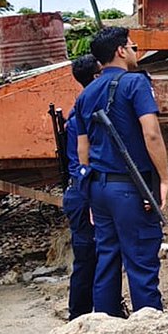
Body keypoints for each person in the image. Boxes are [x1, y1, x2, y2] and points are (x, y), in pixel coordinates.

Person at [74, 26, 168, 316]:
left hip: (99, 187)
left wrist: (90, 192)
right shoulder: (135, 83)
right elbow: (151, 134)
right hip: (130, 188)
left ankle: (108, 329)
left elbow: (83, 149)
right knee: (141, 261)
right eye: (132, 47)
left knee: (107, 260)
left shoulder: (86, 93)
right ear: (120, 51)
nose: (134, 52)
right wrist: (165, 178)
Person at [63, 54, 103, 320]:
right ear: (97, 78)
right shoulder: (82, 116)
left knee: (93, 256)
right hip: (83, 192)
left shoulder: (80, 110)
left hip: (81, 190)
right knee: (89, 257)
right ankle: (79, 316)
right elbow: (83, 163)